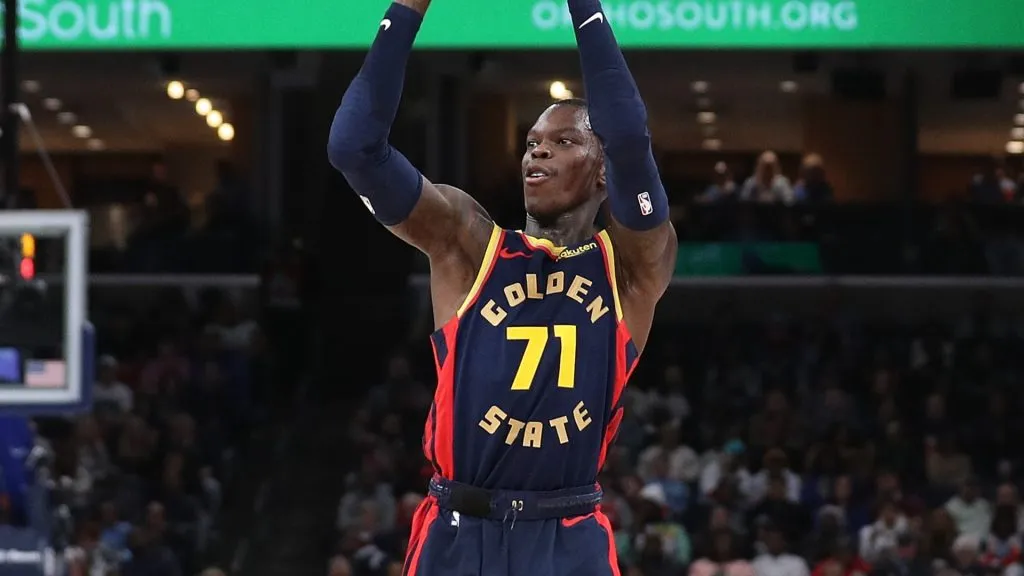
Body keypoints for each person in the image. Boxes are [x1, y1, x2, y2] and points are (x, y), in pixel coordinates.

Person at [327, 0, 676, 574]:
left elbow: (630, 138)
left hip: (566, 536)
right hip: (458, 532)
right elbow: (353, 147)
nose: (537, 148)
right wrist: (407, 10)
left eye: (564, 142)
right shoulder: (468, 242)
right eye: (534, 139)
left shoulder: (633, 265)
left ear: (603, 167)